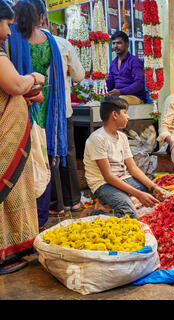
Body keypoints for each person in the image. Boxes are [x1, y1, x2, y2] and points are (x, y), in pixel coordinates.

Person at [9, 0, 67, 228]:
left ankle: (28, 221)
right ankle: (37, 218)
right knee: (38, 158)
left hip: (31, 103)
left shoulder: (13, 36)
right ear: (40, 14)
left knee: (31, 159)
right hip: (36, 105)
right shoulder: (44, 38)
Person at [0, 0, 46, 274]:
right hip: (5, 139)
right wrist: (33, 77)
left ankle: (12, 248)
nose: (8, 32)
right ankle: (6, 252)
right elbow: (15, 85)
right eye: (6, 24)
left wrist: (20, 100)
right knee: (8, 190)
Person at [84, 96, 169, 219]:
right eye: (125, 113)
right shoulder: (97, 138)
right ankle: (93, 213)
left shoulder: (122, 137)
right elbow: (108, 177)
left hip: (125, 179)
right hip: (104, 184)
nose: (128, 117)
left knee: (163, 195)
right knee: (130, 215)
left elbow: (133, 168)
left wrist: (153, 187)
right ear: (114, 114)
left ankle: (113, 202)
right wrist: (139, 194)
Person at [41, 9, 86, 215]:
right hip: (61, 110)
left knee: (45, 154)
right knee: (66, 152)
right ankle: (74, 202)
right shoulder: (63, 43)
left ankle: (52, 204)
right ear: (46, 19)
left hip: (38, 112)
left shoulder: (22, 43)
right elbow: (78, 76)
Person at [106, 31, 146, 105]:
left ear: (127, 44)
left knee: (116, 101)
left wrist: (120, 92)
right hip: (118, 96)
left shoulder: (135, 61)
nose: (115, 46)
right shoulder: (113, 63)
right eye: (114, 43)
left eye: (119, 43)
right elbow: (110, 83)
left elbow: (139, 84)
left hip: (135, 97)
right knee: (100, 101)